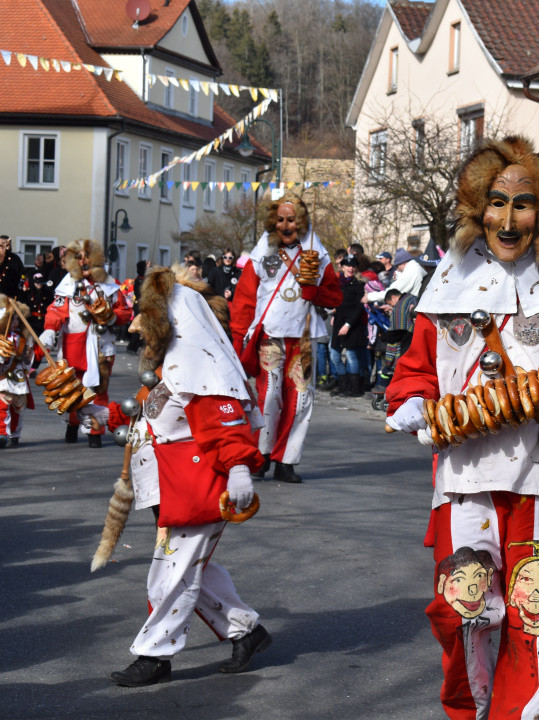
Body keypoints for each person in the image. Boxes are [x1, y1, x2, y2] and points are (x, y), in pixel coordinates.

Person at [385, 136, 539, 720]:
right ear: (475, 209)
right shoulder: (447, 285)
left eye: (523, 204)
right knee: (461, 607)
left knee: (532, 610)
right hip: (464, 473)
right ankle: (468, 711)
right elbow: (412, 374)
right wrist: (412, 404)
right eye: (496, 202)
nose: (508, 219)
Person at [105, 265, 271, 687]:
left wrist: (237, 468)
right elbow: (148, 418)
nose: (136, 323)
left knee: (170, 573)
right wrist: (90, 409)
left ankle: (154, 655)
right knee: (194, 569)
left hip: (200, 489)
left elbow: (223, 423)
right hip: (174, 488)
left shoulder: (196, 366)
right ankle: (246, 631)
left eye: (144, 314)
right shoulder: (173, 364)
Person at [231, 195, 342, 484]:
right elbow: (244, 300)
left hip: (304, 335)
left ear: (301, 222)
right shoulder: (261, 253)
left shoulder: (318, 254)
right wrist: (237, 338)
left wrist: (314, 292)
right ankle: (262, 453)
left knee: (302, 398)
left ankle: (286, 460)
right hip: (270, 333)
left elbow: (335, 296)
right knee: (269, 396)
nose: (285, 225)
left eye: (291, 219)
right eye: (280, 219)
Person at [40, 239, 132, 447]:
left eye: (88, 256)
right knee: (73, 388)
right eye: (79, 257)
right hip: (74, 343)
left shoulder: (109, 284)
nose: (84, 261)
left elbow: (125, 311)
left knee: (99, 388)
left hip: (101, 344)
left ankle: (95, 430)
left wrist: (111, 317)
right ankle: (72, 424)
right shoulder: (67, 285)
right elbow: (56, 310)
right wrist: (49, 329)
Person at [329, 256, 368, 396]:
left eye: (353, 266)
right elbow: (335, 302)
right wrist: (333, 314)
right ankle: (343, 385)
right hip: (338, 322)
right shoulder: (337, 283)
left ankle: (354, 389)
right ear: (343, 267)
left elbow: (359, 308)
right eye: (348, 265)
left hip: (352, 324)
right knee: (334, 355)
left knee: (351, 356)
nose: (351, 268)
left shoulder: (359, 285)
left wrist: (348, 324)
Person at [0, 295, 34, 447]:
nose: (15, 323)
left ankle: (15, 434)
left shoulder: (22, 339)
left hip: (18, 378)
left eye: (17, 320)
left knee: (18, 408)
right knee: (2, 406)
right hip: (3, 377)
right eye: (12, 320)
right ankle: (2, 433)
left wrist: (26, 357)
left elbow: (28, 359)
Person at [0, 235, 25, 301]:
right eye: (2, 245)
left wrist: (21, 283)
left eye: (8, 245)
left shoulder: (15, 259)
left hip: (10, 295)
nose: (5, 248)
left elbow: (22, 274)